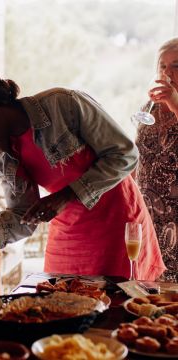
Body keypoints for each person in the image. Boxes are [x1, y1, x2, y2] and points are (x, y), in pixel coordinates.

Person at [0, 76, 166, 281]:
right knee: (61, 315)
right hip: (67, 234)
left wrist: (64, 197)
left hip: (116, 223)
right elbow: (23, 218)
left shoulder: (64, 105)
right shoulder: (1, 156)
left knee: (112, 313)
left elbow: (124, 154)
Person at [135, 38, 178, 283]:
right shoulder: (148, 108)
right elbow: (135, 156)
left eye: (176, 66)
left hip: (176, 218)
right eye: (162, 66)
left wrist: (174, 101)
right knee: (146, 288)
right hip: (146, 215)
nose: (167, 73)